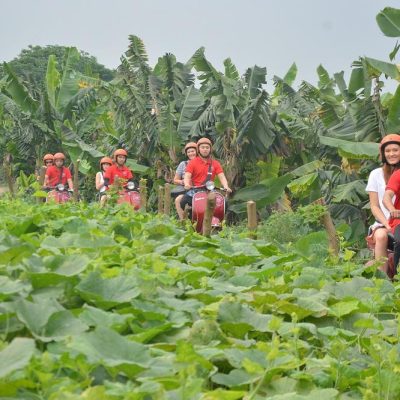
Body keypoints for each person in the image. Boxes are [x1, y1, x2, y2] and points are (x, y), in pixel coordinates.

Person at [367, 134, 400, 273]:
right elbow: (374, 206)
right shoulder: (376, 174)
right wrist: (387, 224)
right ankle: (382, 278)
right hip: (384, 223)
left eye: (395, 150)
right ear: (383, 154)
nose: (391, 154)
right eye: (388, 151)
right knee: (381, 235)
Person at [181, 137, 232, 211]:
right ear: (198, 149)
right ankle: (192, 219)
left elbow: (222, 176)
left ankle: (217, 221)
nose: (205, 149)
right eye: (203, 147)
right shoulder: (192, 162)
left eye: (207, 147)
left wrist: (226, 186)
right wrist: (186, 184)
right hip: (196, 190)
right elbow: (187, 176)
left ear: (210, 149)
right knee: (183, 202)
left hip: (210, 190)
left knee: (225, 203)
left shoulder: (215, 163)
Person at [173, 142, 197, 220]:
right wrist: (184, 182)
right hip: (187, 189)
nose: (191, 153)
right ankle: (183, 221)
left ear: (197, 151)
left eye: (192, 151)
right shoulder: (183, 164)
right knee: (178, 200)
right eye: (188, 152)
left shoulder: (202, 162)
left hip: (200, 188)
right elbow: (175, 180)